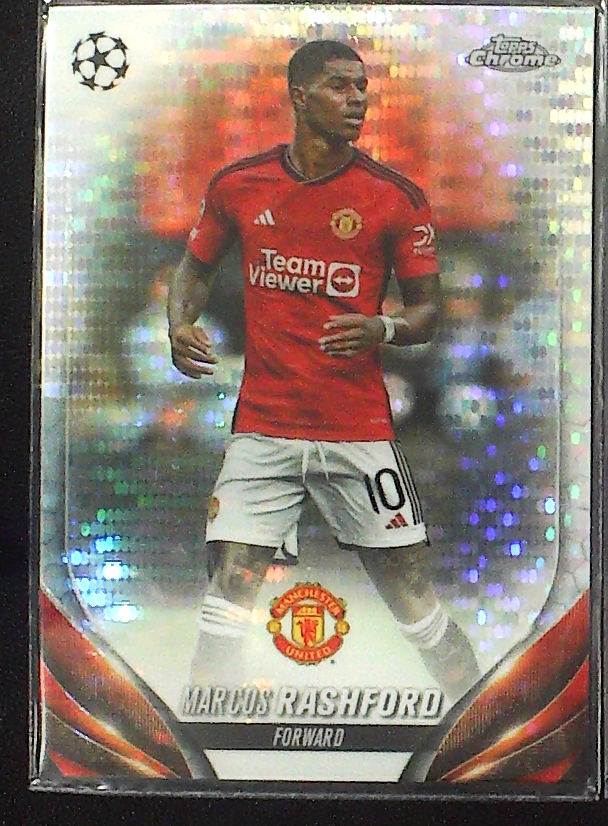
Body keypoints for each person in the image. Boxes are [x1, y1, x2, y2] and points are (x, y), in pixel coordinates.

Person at [168, 39, 479, 697]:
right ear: (299, 96)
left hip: (357, 430)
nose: (357, 99)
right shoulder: (239, 185)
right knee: (229, 586)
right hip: (263, 428)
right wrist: (179, 324)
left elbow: (428, 310)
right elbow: (193, 270)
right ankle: (208, 732)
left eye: (362, 87)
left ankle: (480, 722)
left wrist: (382, 327)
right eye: (340, 86)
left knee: (412, 593)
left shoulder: (393, 197)